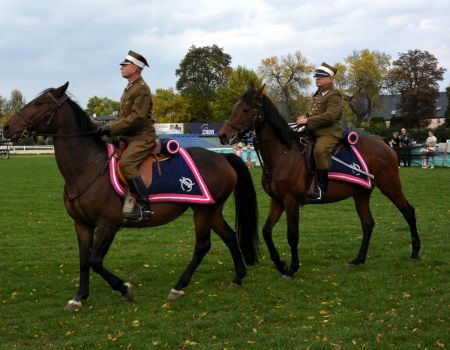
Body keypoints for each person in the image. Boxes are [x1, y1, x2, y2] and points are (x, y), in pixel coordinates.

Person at [98, 50, 156, 221]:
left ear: (135, 68)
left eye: (125, 65)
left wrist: (110, 128)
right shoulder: (130, 88)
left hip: (142, 137)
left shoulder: (142, 90)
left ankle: (144, 207)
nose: (121, 68)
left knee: (127, 164)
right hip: (130, 136)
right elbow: (123, 117)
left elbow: (136, 118)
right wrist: (109, 128)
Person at [296, 62, 343, 201]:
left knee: (320, 151)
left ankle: (321, 190)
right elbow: (312, 112)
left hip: (329, 132)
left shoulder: (334, 95)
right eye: (316, 76)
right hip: (313, 131)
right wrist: (304, 116)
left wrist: (308, 121)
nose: (317, 78)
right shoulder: (317, 95)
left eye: (321, 76)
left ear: (330, 79)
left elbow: (330, 116)